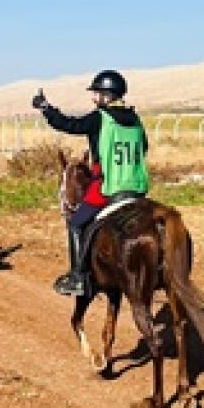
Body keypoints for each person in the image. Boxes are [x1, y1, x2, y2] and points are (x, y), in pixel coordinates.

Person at [32, 69, 149, 295]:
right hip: (137, 189)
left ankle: (77, 277)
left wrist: (46, 108)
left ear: (107, 96)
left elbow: (69, 124)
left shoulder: (100, 118)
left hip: (109, 188)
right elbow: (143, 147)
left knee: (76, 223)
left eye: (96, 93)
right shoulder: (136, 120)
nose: (93, 98)